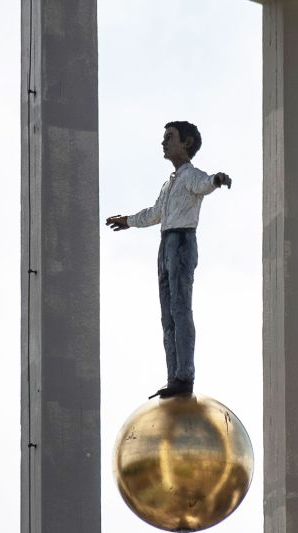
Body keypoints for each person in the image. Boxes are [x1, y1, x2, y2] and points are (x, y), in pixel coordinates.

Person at [106, 121, 232, 399]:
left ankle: (184, 375)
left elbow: (204, 184)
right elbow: (155, 213)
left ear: (186, 143)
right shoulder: (170, 183)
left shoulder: (189, 176)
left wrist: (217, 179)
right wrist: (127, 221)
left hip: (182, 241)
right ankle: (173, 375)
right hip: (166, 244)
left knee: (180, 308)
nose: (164, 142)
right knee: (167, 315)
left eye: (169, 137)